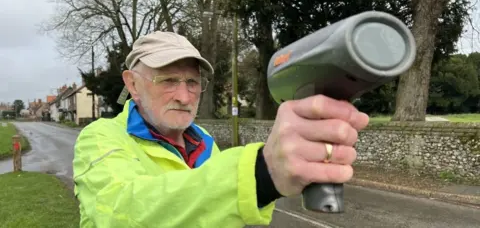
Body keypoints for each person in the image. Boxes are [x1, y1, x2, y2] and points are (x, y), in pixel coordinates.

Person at [72, 31, 369, 228]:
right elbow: (121, 213)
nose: (185, 96)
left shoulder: (205, 143)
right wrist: (261, 174)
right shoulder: (100, 138)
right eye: (167, 81)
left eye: (192, 82)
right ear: (132, 84)